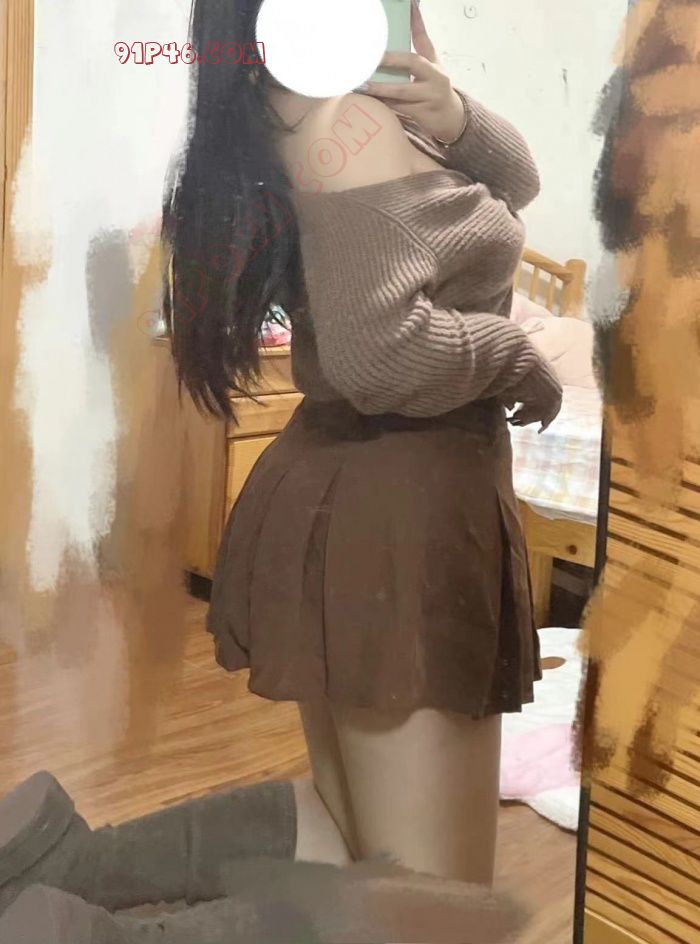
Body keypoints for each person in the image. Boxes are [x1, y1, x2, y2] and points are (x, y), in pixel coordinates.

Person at [162, 0, 563, 884]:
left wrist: (454, 115)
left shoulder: (301, 106)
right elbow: (379, 355)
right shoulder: (348, 126)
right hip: (402, 503)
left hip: (362, 488)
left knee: (365, 860)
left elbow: (520, 182)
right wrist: (516, 356)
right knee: (434, 900)